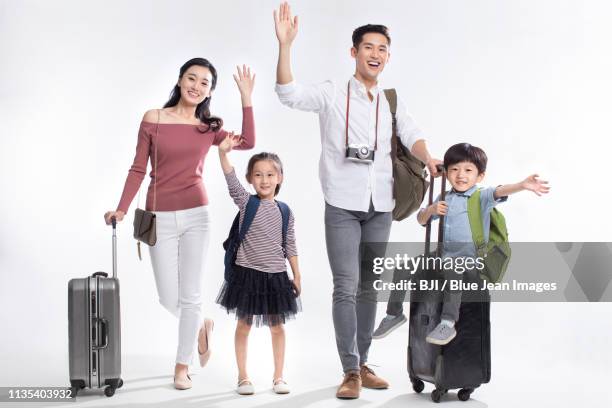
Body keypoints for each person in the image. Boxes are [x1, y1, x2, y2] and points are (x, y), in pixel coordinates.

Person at [273, 2, 441, 399]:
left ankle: (362, 362)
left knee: (370, 287)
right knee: (345, 286)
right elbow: (288, 94)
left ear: (388, 55)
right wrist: (285, 46)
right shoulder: (333, 92)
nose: (376, 55)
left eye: (383, 49)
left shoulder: (390, 101)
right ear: (354, 52)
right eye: (369, 47)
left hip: (380, 204)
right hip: (342, 204)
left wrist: (428, 156)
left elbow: (412, 135)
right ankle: (349, 369)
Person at [103, 59, 256, 390]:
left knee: (190, 294)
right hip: (158, 216)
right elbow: (137, 169)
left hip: (197, 215)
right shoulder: (154, 118)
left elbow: (248, 143)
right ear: (180, 79)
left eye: (205, 83)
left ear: (210, 91)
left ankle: (182, 366)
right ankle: (202, 325)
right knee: (167, 297)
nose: (197, 86)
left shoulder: (209, 128)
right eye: (192, 78)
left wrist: (246, 98)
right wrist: (122, 209)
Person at [417, 142, 550, 345]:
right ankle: (394, 314)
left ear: (480, 176)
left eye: (468, 170)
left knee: (454, 266)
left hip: (472, 263)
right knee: (406, 266)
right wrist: (431, 210)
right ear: (446, 173)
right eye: (454, 169)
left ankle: (448, 322)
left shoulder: (481, 197)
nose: (460, 175)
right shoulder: (444, 197)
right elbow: (421, 220)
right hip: (444, 258)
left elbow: (499, 191)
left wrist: (522, 185)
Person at [216, 135, 301, 396]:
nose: (264, 180)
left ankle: (278, 377)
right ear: (250, 178)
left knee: (277, 328)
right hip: (247, 276)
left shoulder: (285, 210)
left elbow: (290, 244)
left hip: (276, 277)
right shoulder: (246, 202)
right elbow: (231, 180)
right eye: (258, 175)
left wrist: (297, 275)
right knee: (244, 326)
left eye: (269, 174)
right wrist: (223, 153)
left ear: (280, 178)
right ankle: (243, 377)